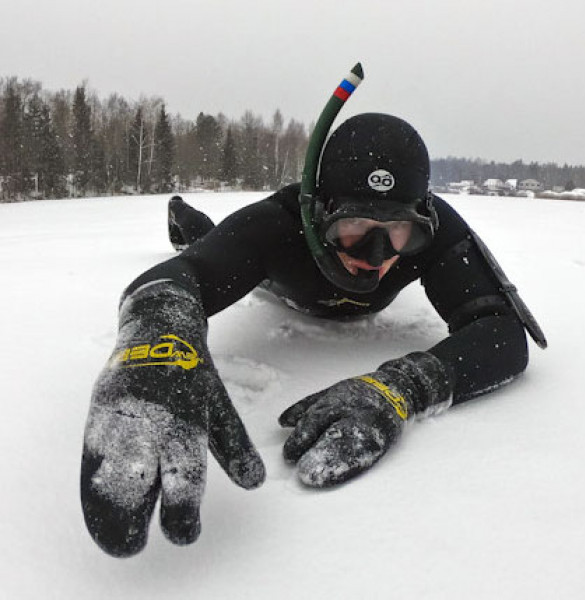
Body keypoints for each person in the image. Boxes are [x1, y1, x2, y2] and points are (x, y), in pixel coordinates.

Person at [80, 112, 546, 558]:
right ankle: (185, 217)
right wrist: (156, 335)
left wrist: (400, 387)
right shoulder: (277, 223)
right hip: (282, 286)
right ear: (317, 214)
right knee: (211, 240)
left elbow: (503, 332)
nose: (375, 255)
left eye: (399, 232)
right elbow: (185, 274)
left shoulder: (440, 227)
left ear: (420, 221)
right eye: (353, 227)